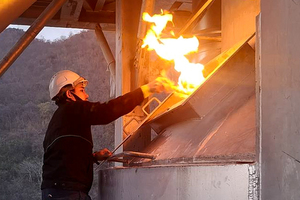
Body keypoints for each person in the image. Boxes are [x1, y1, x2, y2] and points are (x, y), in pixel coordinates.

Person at [41, 70, 168, 200]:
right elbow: (107, 111)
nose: (87, 95)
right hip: (67, 193)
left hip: (59, 191)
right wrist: (145, 90)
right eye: (82, 90)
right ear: (69, 93)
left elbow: (65, 155)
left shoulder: (60, 119)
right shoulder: (72, 109)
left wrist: (94, 157)